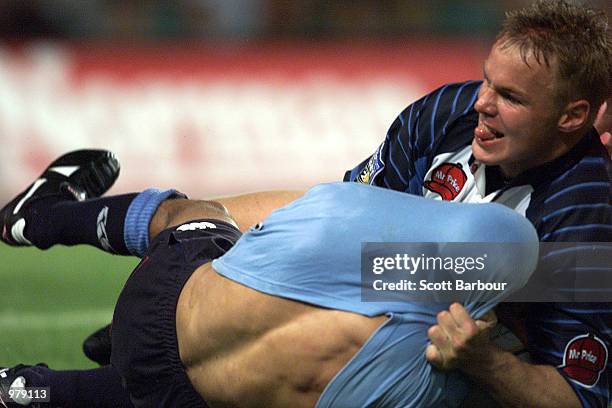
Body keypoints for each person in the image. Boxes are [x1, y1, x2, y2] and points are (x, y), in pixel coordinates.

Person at [1, 0, 611, 406]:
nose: (483, 102)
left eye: (509, 96)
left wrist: (487, 359)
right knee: (354, 241)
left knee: (432, 334)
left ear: (574, 116)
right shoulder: (449, 112)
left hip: (328, 323)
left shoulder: (586, 213)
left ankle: (38, 385)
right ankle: (39, 220)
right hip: (303, 276)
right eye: (486, 81)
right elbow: (343, 221)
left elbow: (580, 392)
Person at [0, 150, 540, 407]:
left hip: (160, 298)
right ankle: (27, 391)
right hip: (189, 397)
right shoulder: (441, 377)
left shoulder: (382, 245)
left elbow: (285, 217)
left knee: (199, 216)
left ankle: (35, 217)